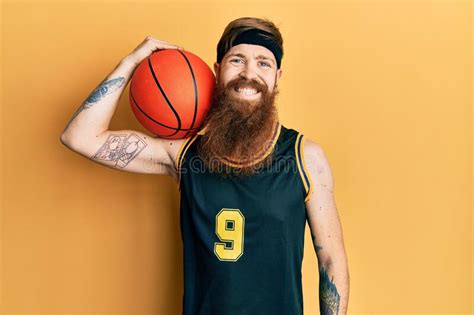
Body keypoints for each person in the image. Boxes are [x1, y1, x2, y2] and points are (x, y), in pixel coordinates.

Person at [60, 16, 349, 315]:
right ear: (218, 71)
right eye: (237, 60)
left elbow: (330, 261)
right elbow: (80, 136)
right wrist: (131, 63)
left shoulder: (304, 157)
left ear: (277, 76)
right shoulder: (184, 156)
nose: (249, 73)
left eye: (263, 63)